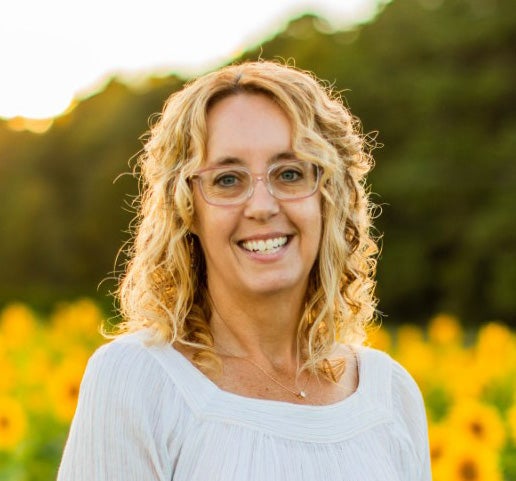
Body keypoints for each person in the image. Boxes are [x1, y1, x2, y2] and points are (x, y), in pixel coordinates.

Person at [57, 60, 431, 481]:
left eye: (290, 173)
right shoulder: (136, 381)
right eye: (228, 180)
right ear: (187, 210)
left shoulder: (391, 395)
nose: (262, 206)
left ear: (329, 199)